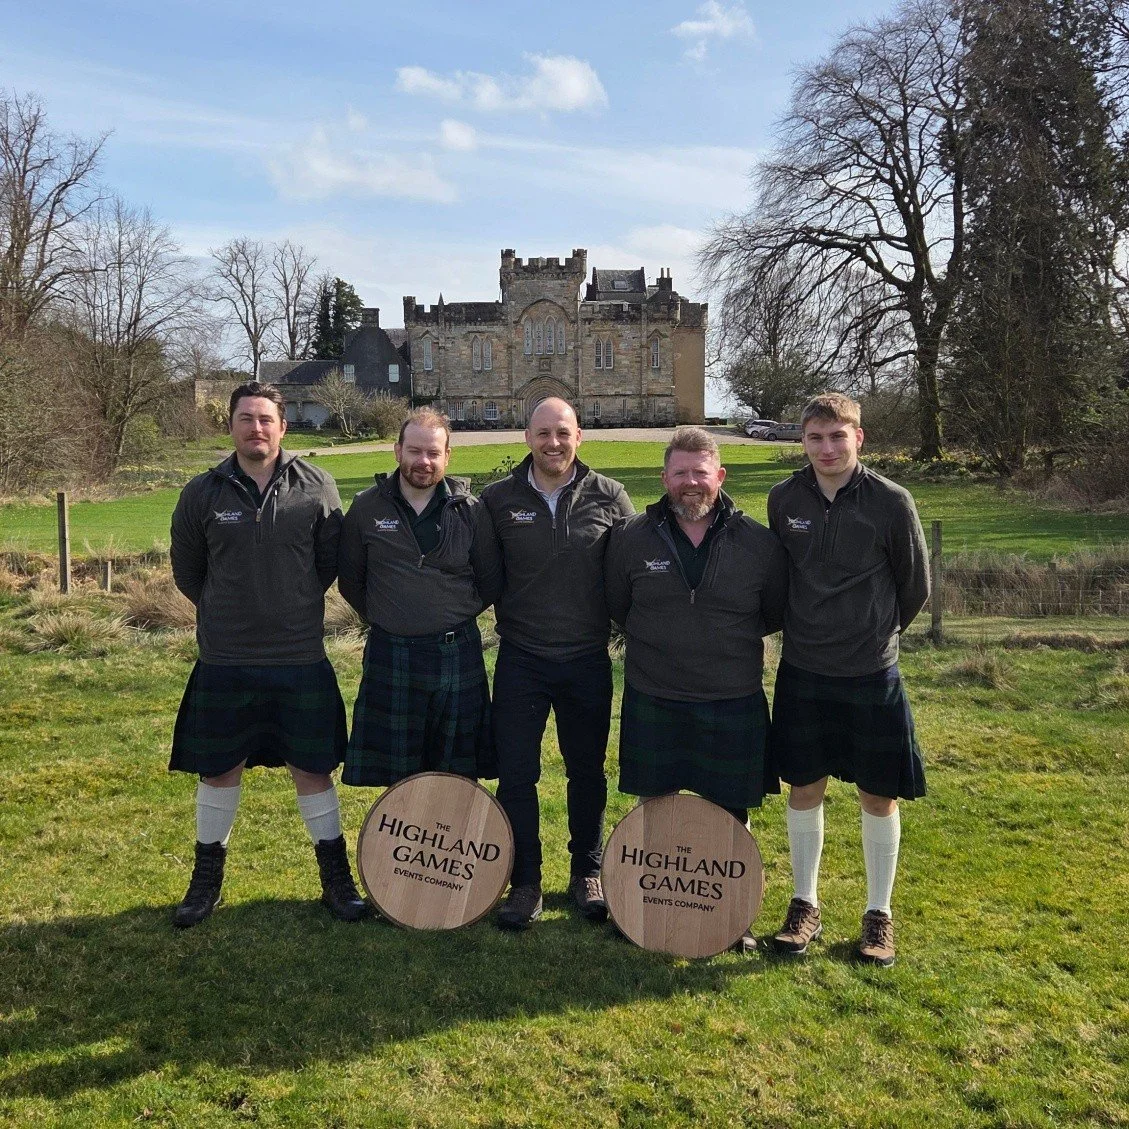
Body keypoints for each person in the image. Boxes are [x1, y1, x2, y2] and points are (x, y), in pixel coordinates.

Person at [169, 380, 367, 928]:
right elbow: (189, 572)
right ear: (230, 425)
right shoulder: (201, 493)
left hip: (298, 656)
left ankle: (336, 881)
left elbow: (327, 563)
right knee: (218, 771)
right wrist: (227, 610)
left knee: (313, 769)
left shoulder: (317, 485)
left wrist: (291, 603)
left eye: (265, 419)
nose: (256, 428)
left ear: (282, 426)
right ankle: (205, 883)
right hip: (225, 659)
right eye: (246, 418)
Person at [604, 426, 788, 951]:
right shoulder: (631, 537)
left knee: (730, 815)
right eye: (680, 472)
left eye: (700, 473)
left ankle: (730, 917)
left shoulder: (758, 542)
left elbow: (773, 611)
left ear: (720, 476)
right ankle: (645, 911)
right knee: (655, 808)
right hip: (655, 691)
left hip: (731, 695)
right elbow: (618, 605)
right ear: (664, 478)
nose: (691, 483)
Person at [767, 392, 929, 967]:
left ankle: (878, 914)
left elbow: (915, 587)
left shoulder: (892, 501)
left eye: (838, 436)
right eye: (816, 437)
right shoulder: (783, 498)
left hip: (870, 672)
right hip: (803, 668)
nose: (827, 448)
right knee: (803, 786)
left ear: (859, 437)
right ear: (803, 441)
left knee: (877, 794)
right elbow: (780, 577)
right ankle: (804, 904)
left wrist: (874, 634)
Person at [480, 397, 635, 929]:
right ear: (527, 437)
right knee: (516, 774)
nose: (553, 443)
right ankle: (525, 882)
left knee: (586, 770)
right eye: (543, 433)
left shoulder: (610, 496)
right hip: (521, 658)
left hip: (586, 658)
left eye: (563, 433)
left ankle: (586, 873)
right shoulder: (498, 499)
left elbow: (631, 573)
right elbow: (484, 574)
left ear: (578, 437)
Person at [337, 408, 503, 788]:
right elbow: (351, 581)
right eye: (414, 451)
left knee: (457, 779)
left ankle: (453, 829)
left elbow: (490, 581)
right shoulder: (367, 507)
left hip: (456, 654)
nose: (423, 462)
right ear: (398, 451)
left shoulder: (470, 510)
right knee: (400, 781)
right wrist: (392, 617)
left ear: (447, 457)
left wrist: (446, 614)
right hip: (391, 652)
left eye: (433, 453)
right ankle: (403, 830)